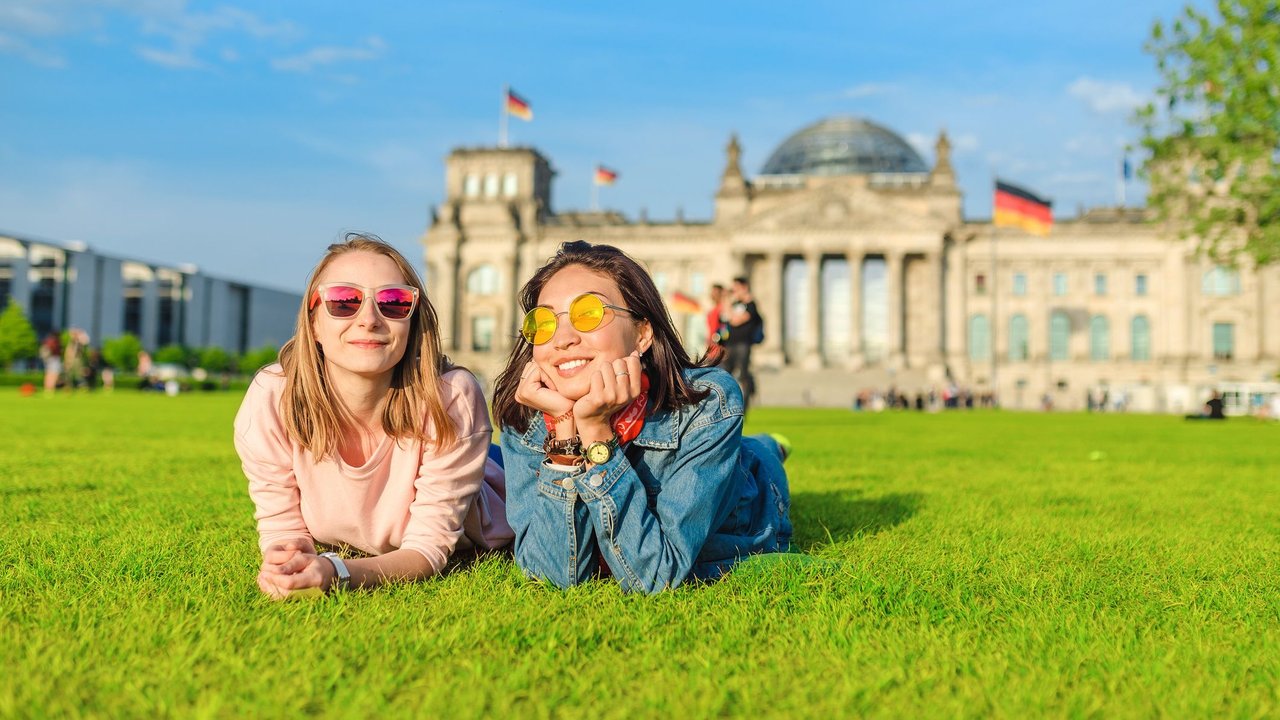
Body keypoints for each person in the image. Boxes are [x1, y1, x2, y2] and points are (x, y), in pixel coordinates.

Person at [491, 240, 792, 593]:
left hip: (752, 491)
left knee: (757, 454)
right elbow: (552, 575)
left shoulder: (706, 402)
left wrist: (596, 432)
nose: (563, 338)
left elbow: (653, 574)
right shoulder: (526, 415)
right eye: (543, 322)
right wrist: (564, 437)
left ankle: (769, 446)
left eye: (588, 314)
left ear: (641, 334)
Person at [234, 233, 512, 600]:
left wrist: (338, 571)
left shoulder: (451, 398)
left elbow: (428, 549)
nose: (369, 319)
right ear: (314, 322)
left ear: (412, 322)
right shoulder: (272, 397)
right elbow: (282, 530)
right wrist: (289, 564)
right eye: (343, 301)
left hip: (488, 473)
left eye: (394, 302)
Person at [721, 276, 761, 410]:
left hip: (743, 344)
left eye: (736, 288)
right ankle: (726, 405)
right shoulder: (734, 304)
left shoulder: (751, 305)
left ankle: (745, 405)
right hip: (730, 344)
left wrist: (731, 314)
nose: (734, 291)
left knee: (743, 374)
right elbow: (726, 316)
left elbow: (736, 320)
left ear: (744, 287)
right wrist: (727, 300)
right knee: (725, 373)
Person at [705, 283, 728, 363]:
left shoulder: (722, 308)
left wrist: (721, 341)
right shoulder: (712, 309)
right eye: (712, 292)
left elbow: (724, 328)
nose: (712, 295)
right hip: (711, 346)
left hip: (719, 346)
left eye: (715, 292)